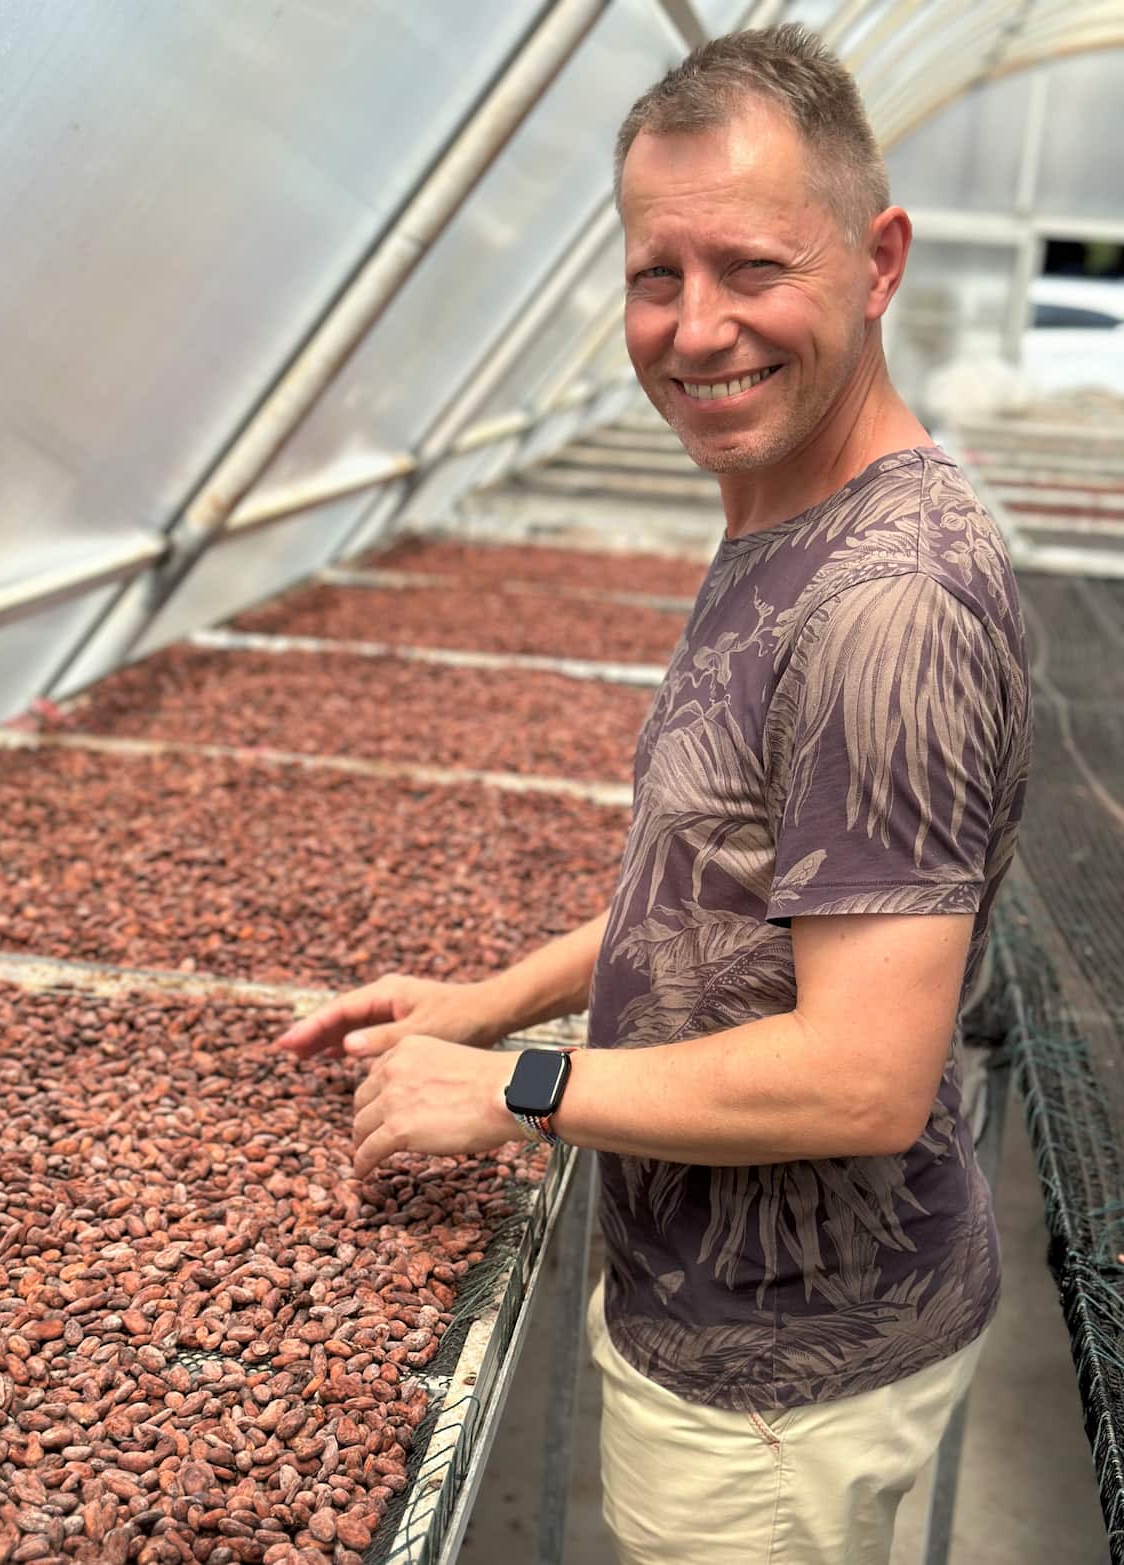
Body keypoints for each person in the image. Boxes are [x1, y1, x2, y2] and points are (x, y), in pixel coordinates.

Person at [274, 25, 1031, 1565]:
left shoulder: (891, 603)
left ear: (877, 260)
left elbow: (863, 1071)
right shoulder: (786, 509)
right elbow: (722, 878)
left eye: (752, 268)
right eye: (653, 277)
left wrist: (521, 1089)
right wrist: (488, 998)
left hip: (774, 1393)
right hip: (744, 1316)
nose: (696, 331)